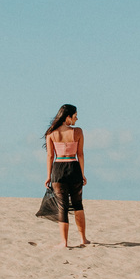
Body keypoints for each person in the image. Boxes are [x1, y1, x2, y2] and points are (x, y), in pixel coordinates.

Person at [44, 103, 88, 248]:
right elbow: (80, 154)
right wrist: (82, 174)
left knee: (62, 206)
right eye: (75, 116)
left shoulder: (51, 133)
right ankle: (83, 239)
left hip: (58, 168)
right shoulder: (78, 132)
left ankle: (64, 242)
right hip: (74, 167)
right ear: (68, 116)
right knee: (77, 204)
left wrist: (48, 176)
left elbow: (50, 155)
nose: (76, 119)